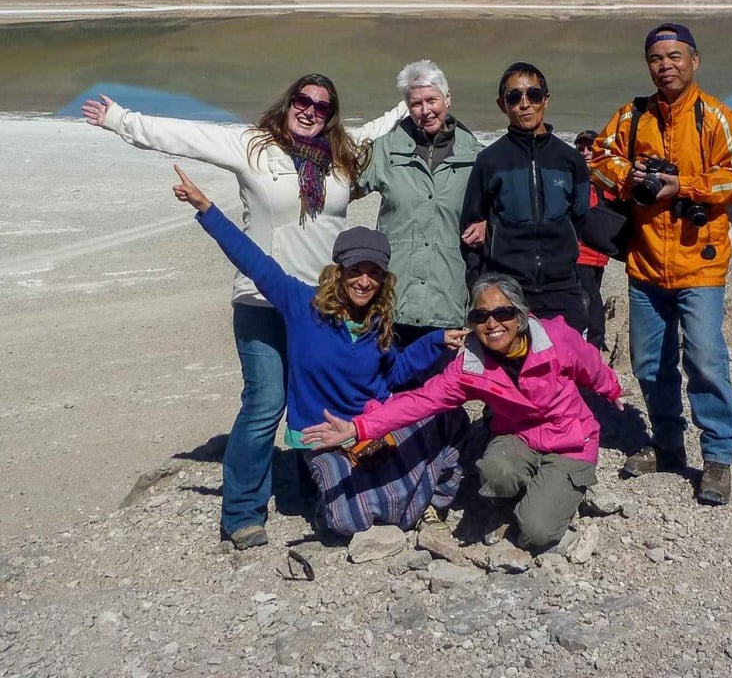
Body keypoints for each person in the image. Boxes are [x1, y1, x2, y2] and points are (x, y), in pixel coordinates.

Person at [82, 76, 403, 549]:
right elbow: (187, 135)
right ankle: (242, 513)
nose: (311, 110)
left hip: (321, 305)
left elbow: (381, 126)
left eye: (322, 105)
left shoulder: (341, 154)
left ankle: (313, 492)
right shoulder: (251, 145)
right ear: (288, 101)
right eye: (303, 100)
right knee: (265, 401)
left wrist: (417, 95)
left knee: (318, 399)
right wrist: (120, 120)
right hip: (262, 299)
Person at [169, 164, 469, 540]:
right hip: (321, 434)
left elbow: (394, 374)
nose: (364, 281)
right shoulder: (302, 305)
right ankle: (389, 495)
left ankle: (413, 496)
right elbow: (254, 262)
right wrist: (206, 209)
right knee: (348, 519)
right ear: (338, 272)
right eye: (355, 270)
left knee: (448, 418)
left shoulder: (378, 321)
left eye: (373, 273)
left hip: (369, 428)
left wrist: (435, 342)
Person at [302, 273, 622, 552]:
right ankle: (523, 498)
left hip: (571, 443)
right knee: (496, 471)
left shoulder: (553, 339)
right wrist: (359, 428)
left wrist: (612, 388)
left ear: (521, 315)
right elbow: (421, 401)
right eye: (481, 317)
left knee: (536, 532)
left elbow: (590, 364)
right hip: (518, 436)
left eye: (503, 313)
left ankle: (557, 495)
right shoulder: (470, 365)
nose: (492, 324)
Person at [589, 23, 732, 506]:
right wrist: (632, 176)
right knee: (649, 364)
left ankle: (718, 457)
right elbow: (598, 158)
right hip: (645, 263)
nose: (666, 65)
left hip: (700, 265)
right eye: (656, 58)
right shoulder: (632, 116)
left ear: (694, 61)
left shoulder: (716, 118)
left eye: (674, 56)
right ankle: (667, 445)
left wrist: (683, 185)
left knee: (705, 359)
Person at [355, 60, 483, 346]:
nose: (425, 111)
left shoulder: (475, 156)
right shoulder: (384, 150)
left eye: (432, 100)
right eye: (416, 104)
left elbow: (501, 208)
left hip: (447, 304)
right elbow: (341, 189)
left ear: (448, 99)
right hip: (391, 304)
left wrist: (489, 225)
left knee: (439, 390)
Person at [459, 62, 591, 332]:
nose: (525, 104)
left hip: (562, 286)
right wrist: (479, 286)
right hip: (509, 287)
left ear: (546, 99)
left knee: (565, 366)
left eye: (534, 95)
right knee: (512, 368)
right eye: (514, 97)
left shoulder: (570, 160)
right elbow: (471, 228)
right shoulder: (490, 160)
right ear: (502, 105)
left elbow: (579, 218)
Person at [572, 130, 611, 351]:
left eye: (590, 148)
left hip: (600, 253)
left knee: (591, 295)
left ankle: (592, 342)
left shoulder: (606, 178)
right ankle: (593, 344)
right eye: (582, 149)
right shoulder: (573, 177)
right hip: (579, 252)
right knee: (591, 300)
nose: (586, 152)